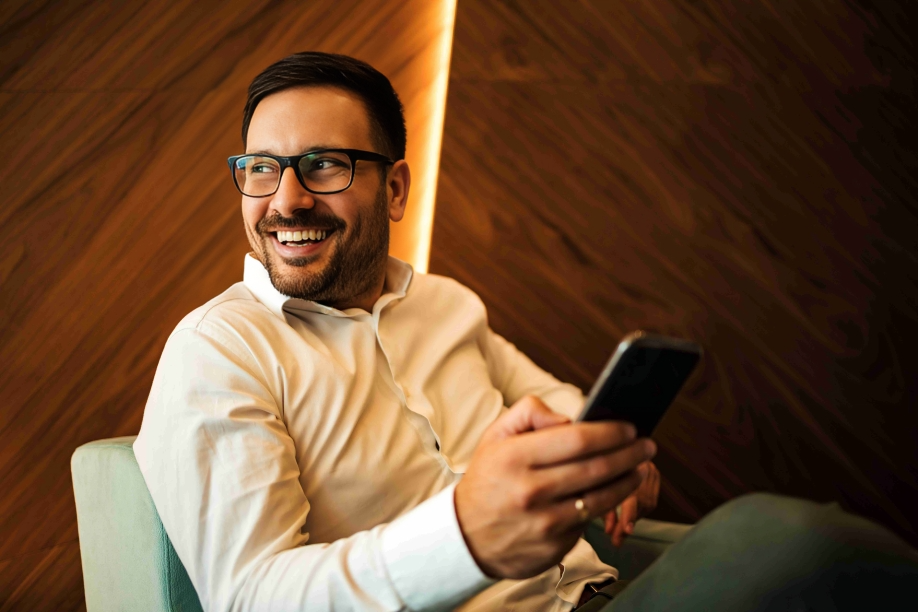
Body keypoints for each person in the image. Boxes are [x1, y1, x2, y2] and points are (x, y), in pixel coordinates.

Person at [134, 52, 918, 612]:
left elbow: (549, 397)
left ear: (395, 186)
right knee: (790, 542)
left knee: (809, 550)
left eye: (324, 166)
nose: (287, 199)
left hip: (598, 590)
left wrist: (599, 448)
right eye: (262, 169)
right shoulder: (217, 353)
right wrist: (466, 536)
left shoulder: (445, 304)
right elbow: (251, 598)